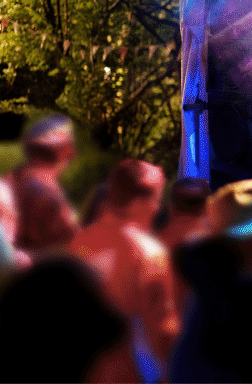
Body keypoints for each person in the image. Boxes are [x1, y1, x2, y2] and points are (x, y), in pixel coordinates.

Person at [70, 158, 178, 384]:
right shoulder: (149, 254)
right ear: (139, 202)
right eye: (155, 199)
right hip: (130, 375)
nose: (157, 208)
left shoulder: (79, 243)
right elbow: (163, 329)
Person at [7, 114, 80, 256]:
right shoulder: (48, 192)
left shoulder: (13, 178)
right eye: (70, 146)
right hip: (38, 271)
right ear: (64, 151)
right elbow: (74, 240)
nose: (73, 153)